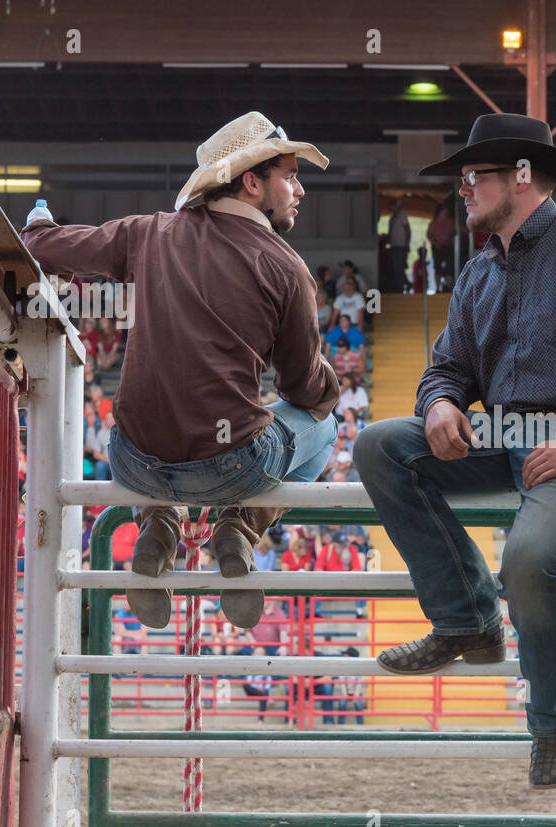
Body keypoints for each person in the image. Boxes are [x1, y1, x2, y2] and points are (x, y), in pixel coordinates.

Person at [354, 112, 556, 789]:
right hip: (505, 437)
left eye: (476, 176)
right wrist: (440, 403)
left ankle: (554, 722)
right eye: (465, 178)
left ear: (522, 178)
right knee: (381, 445)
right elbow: (447, 368)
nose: (464, 189)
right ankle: (468, 619)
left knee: (530, 559)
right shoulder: (478, 274)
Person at [20, 111, 340, 630]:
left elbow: (48, 247)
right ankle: (239, 526)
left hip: (131, 460)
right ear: (253, 182)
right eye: (290, 175)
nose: (300, 190)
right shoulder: (287, 267)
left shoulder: (149, 233)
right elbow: (303, 388)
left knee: (164, 446)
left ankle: (161, 524)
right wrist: (331, 387)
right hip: (231, 465)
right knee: (324, 428)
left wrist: (38, 230)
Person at [387, 198, 411, 292]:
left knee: (399, 267)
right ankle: (400, 286)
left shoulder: (402, 216)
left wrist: (407, 244)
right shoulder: (392, 218)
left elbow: (407, 230)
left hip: (401, 246)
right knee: (395, 268)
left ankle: (400, 289)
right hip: (394, 246)